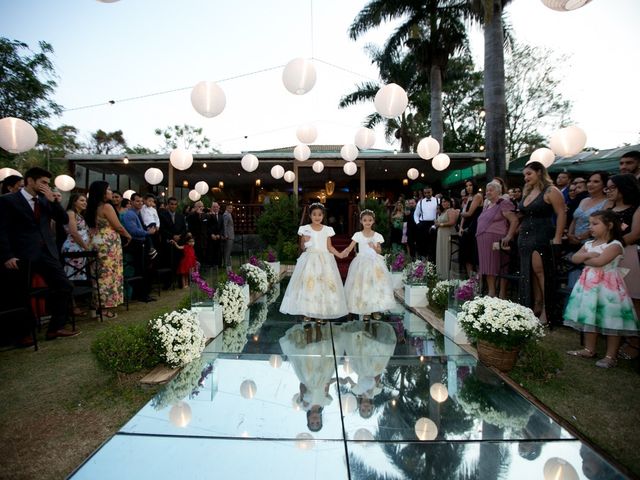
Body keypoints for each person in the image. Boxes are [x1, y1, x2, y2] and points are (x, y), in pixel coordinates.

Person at [0, 167, 78, 343]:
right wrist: (7, 255)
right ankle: (24, 333)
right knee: (21, 295)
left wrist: (53, 202)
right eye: (43, 182)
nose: (46, 187)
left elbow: (63, 220)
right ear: (30, 181)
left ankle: (55, 328)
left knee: (64, 286)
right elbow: (1, 230)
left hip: (46, 253)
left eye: (48, 184)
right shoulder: (8, 201)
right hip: (21, 254)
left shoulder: (45, 201)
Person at [564, 210, 639, 368]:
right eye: (590, 223)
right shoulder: (589, 244)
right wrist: (587, 257)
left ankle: (610, 356)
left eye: (595, 224)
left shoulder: (615, 245)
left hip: (609, 287)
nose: (590, 227)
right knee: (589, 316)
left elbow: (600, 262)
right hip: (589, 286)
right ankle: (588, 349)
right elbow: (575, 258)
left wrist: (586, 258)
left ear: (609, 225)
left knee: (611, 319)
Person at [279, 202, 348, 320]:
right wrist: (304, 241)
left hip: (324, 260)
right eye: (314, 214)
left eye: (320, 214)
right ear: (310, 216)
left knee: (323, 285)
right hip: (309, 259)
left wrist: (340, 254)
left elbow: (329, 247)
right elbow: (302, 247)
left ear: (323, 216)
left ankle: (320, 311)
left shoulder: (327, 229)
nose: (317, 217)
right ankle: (307, 311)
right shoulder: (304, 229)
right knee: (308, 284)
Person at [518, 161, 566, 326]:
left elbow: (561, 213)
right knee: (528, 272)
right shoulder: (528, 192)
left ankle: (547, 310)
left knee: (540, 271)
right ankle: (534, 306)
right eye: (524, 175)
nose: (526, 178)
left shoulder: (551, 191)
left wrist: (558, 237)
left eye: (529, 174)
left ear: (539, 172)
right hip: (524, 236)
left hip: (542, 235)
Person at [605, 174, 640, 360]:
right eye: (607, 188)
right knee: (612, 299)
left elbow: (635, 234)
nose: (608, 191)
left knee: (631, 298)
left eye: (612, 188)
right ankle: (613, 336)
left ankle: (635, 342)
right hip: (605, 257)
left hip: (628, 255)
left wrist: (611, 246)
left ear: (624, 188)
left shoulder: (636, 209)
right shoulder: (607, 207)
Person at [85, 181, 131, 319]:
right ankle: (104, 310)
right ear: (102, 192)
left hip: (96, 242)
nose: (111, 192)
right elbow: (118, 226)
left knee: (97, 276)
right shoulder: (106, 207)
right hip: (108, 245)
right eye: (109, 189)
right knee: (108, 276)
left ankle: (95, 306)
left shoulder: (92, 207)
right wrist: (128, 235)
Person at [339, 209, 395, 317]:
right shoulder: (358, 235)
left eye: (370, 220)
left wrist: (374, 247)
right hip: (362, 263)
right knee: (363, 285)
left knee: (376, 284)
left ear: (373, 221)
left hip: (375, 263)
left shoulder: (377, 235)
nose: (367, 222)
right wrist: (343, 253)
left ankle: (376, 309)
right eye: (365, 220)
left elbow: (379, 251)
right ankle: (365, 309)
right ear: (361, 221)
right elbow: (350, 247)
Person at [475, 181, 519, 298]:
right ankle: (491, 292)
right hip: (483, 240)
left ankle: (502, 293)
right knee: (488, 267)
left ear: (498, 191)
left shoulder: (503, 203)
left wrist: (509, 236)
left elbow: (514, 221)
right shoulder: (487, 204)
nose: (488, 192)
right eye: (487, 190)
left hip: (497, 239)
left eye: (491, 190)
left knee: (500, 266)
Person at [61, 194, 90, 282]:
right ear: (74, 202)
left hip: (80, 247)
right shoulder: (71, 213)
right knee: (72, 274)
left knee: (79, 274)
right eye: (82, 200)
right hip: (73, 246)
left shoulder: (80, 215)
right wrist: (87, 248)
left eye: (85, 201)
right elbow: (74, 232)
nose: (85, 203)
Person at [159, 196, 187, 284]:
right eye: (171, 204)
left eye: (175, 204)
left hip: (179, 242)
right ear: (168, 205)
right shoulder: (162, 215)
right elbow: (162, 229)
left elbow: (184, 229)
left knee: (179, 261)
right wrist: (172, 236)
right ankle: (168, 282)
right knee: (168, 262)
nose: (173, 206)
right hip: (168, 242)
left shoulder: (180, 216)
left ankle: (179, 281)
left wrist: (180, 236)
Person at [459, 180, 483, 278]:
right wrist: (460, 227)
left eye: (470, 185)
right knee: (466, 255)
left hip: (475, 226)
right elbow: (464, 215)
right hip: (466, 227)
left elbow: (469, 213)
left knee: (475, 255)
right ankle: (470, 279)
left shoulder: (478, 196)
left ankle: (478, 282)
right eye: (467, 186)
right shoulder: (469, 197)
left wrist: (458, 212)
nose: (468, 187)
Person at [434, 197, 459, 280]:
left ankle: (448, 275)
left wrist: (440, 225)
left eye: (446, 201)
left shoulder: (451, 210)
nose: (444, 203)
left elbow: (452, 222)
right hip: (441, 234)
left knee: (447, 252)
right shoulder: (443, 212)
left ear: (449, 202)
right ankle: (441, 274)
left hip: (448, 233)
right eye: (442, 202)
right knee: (441, 252)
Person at [413, 186, 438, 260]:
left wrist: (436, 224)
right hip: (423, 225)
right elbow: (416, 214)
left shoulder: (438, 200)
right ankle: (424, 262)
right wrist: (418, 223)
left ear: (432, 192)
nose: (427, 194)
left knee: (433, 245)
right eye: (425, 193)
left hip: (435, 224)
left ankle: (433, 262)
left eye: (429, 192)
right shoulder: (420, 202)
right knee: (423, 245)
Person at [206, 202, 223, 266]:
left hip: (218, 237)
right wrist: (211, 234)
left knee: (218, 251)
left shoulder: (221, 216)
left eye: (216, 207)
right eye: (214, 207)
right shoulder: (208, 215)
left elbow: (222, 227)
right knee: (211, 251)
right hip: (211, 237)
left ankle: (218, 265)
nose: (215, 208)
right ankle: (211, 265)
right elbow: (207, 226)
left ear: (219, 207)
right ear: (211, 208)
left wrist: (219, 234)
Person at [222, 203, 235, 269]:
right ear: (226, 208)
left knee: (229, 250)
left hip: (231, 235)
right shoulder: (226, 215)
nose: (231, 209)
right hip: (228, 236)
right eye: (230, 208)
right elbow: (225, 225)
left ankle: (228, 263)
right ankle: (226, 264)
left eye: (232, 208)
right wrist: (226, 235)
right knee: (227, 250)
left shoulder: (229, 214)